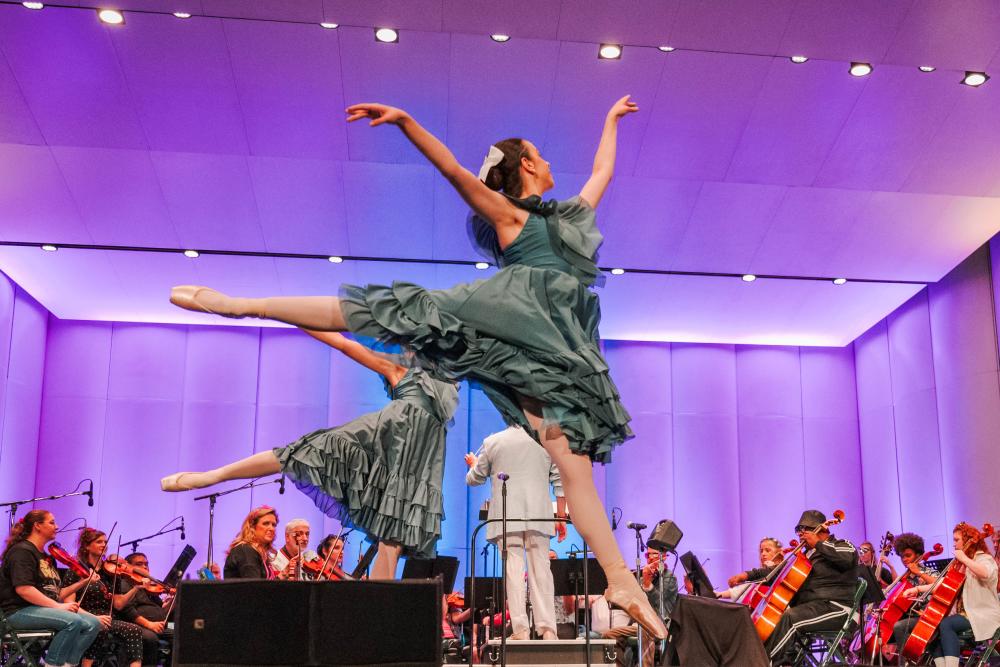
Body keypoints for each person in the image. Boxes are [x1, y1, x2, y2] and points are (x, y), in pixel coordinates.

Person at [165, 94, 667, 639]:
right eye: (540, 154)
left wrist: (610, 120)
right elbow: (453, 171)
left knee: (575, 464)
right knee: (391, 311)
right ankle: (242, 304)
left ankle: (619, 579)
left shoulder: (567, 221)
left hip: (548, 350)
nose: (548, 162)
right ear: (525, 164)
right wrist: (406, 123)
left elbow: (603, 171)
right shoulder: (512, 218)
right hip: (507, 319)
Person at [162, 329, 458, 580]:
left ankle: (379, 619)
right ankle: (212, 476)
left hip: (409, 471)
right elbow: (345, 344)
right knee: (299, 454)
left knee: (392, 540)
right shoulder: (402, 372)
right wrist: (300, 319)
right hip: (375, 443)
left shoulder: (449, 387)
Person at [465, 425, 567, 640]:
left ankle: (520, 630)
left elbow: (474, 479)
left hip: (507, 516)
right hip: (539, 515)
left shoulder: (493, 441)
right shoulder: (546, 439)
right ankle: (548, 630)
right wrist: (560, 516)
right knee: (542, 572)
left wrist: (473, 464)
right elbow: (560, 480)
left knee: (514, 571)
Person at [754, 510, 858, 663]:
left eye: (806, 529)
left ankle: (761, 663)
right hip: (813, 608)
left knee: (791, 618)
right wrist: (747, 576)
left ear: (821, 529)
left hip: (838, 609)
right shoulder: (807, 554)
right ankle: (770, 660)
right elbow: (777, 572)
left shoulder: (842, 544)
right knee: (776, 617)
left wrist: (817, 543)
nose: (801, 534)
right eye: (799, 530)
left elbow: (847, 559)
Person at [0, 510, 101, 667]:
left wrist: (83, 582)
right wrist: (59, 607)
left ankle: (69, 664)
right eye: (52, 522)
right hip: (17, 611)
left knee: (93, 623)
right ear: (37, 526)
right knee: (73, 621)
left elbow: (56, 594)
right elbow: (24, 589)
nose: (57, 526)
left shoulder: (48, 557)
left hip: (40, 610)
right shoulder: (22, 551)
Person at [897, 523, 1000, 667]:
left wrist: (964, 559)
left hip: (981, 613)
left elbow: (986, 573)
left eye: (957, 540)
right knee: (931, 628)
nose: (954, 544)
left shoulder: (983, 559)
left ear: (968, 540)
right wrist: (918, 589)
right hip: (964, 613)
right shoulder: (962, 564)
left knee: (946, 624)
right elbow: (944, 585)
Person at [61, 528, 144, 667]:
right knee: (99, 627)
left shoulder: (111, 572)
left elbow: (118, 604)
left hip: (106, 618)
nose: (103, 545)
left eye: (105, 542)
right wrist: (94, 618)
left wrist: (135, 588)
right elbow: (69, 604)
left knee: (134, 630)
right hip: (83, 617)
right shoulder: (76, 569)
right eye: (99, 542)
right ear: (87, 546)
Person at [117, 552, 172, 667]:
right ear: (129, 566)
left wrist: (173, 601)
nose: (145, 567)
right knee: (150, 638)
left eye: (146, 564)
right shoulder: (125, 583)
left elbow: (161, 611)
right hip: (138, 625)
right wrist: (150, 624)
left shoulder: (150, 586)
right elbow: (127, 610)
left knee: (180, 634)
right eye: (139, 564)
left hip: (159, 625)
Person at [224, 505, 279, 580]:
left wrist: (283, 574)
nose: (271, 528)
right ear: (252, 526)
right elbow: (254, 587)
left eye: (274, 525)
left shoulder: (259, 552)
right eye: (266, 523)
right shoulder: (246, 550)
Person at [720, 537, 785, 600]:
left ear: (778, 553)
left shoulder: (783, 569)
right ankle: (719, 595)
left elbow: (762, 573)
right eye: (761, 551)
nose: (763, 554)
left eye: (767, 550)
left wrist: (744, 576)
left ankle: (718, 595)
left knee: (751, 586)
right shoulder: (763, 573)